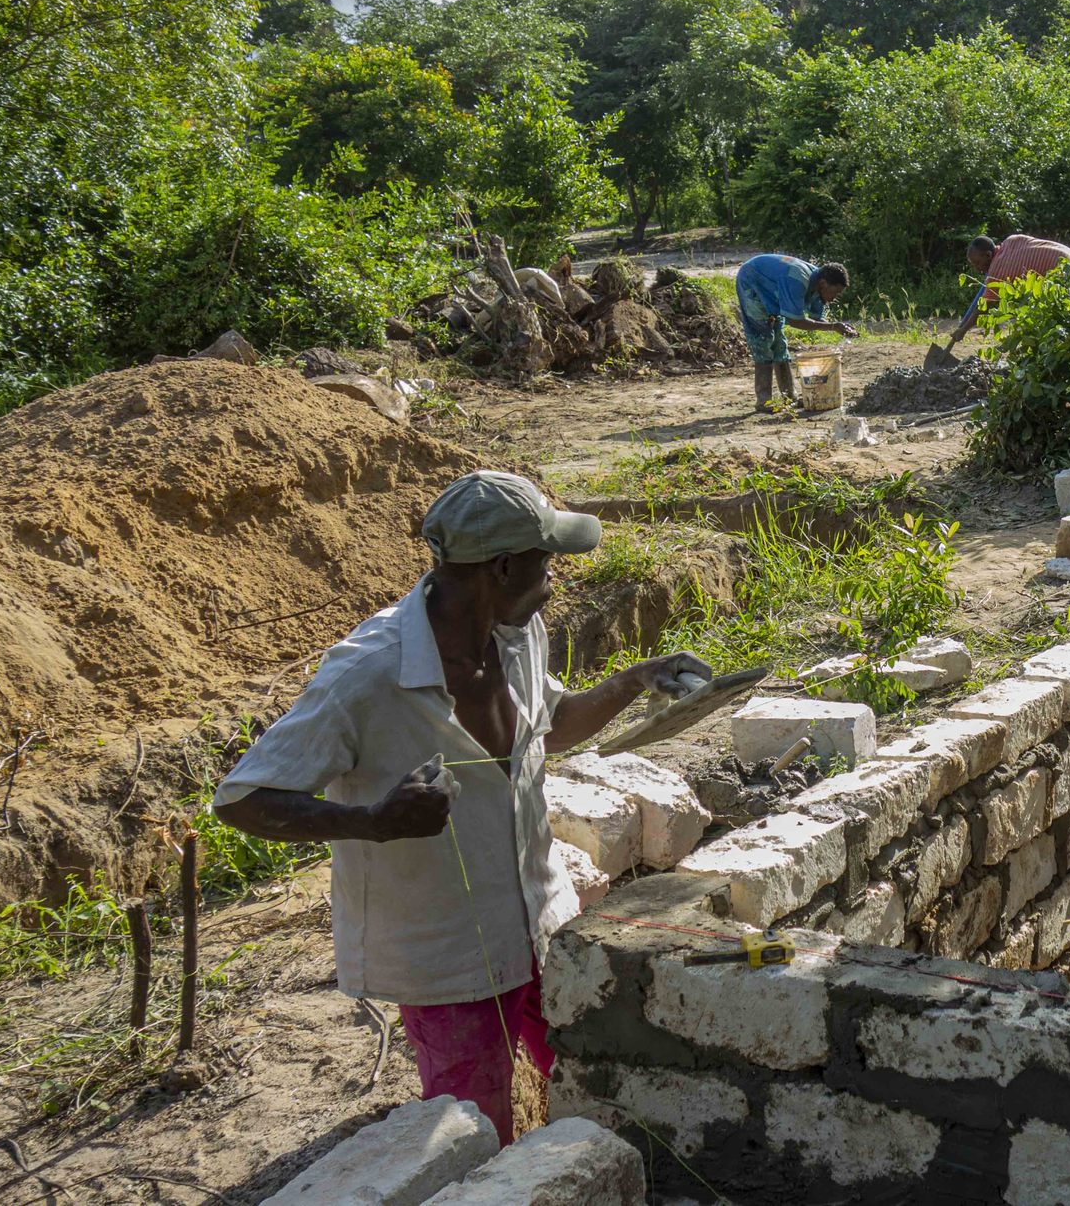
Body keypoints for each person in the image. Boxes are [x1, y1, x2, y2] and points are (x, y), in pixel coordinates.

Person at [210, 471, 711, 1143]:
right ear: (501, 567)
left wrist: (635, 680)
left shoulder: (516, 633)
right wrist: (371, 822)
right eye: (546, 561)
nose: (556, 577)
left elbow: (550, 721)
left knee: (592, 1087)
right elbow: (243, 799)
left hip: (542, 918)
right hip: (447, 961)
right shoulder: (369, 673)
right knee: (477, 1135)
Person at [734, 254, 857, 411]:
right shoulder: (797, 280)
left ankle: (789, 397)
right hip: (751, 282)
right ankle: (764, 401)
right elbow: (795, 321)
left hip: (773, 292)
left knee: (780, 346)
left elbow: (816, 319)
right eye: (835, 293)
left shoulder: (819, 287)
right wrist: (834, 327)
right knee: (763, 341)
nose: (834, 298)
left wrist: (840, 328)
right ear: (823, 283)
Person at [945, 233, 1070, 350]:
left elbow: (985, 306)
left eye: (977, 263)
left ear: (988, 255)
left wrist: (963, 330)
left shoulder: (999, 270)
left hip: (1065, 271)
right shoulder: (1010, 241)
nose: (977, 269)